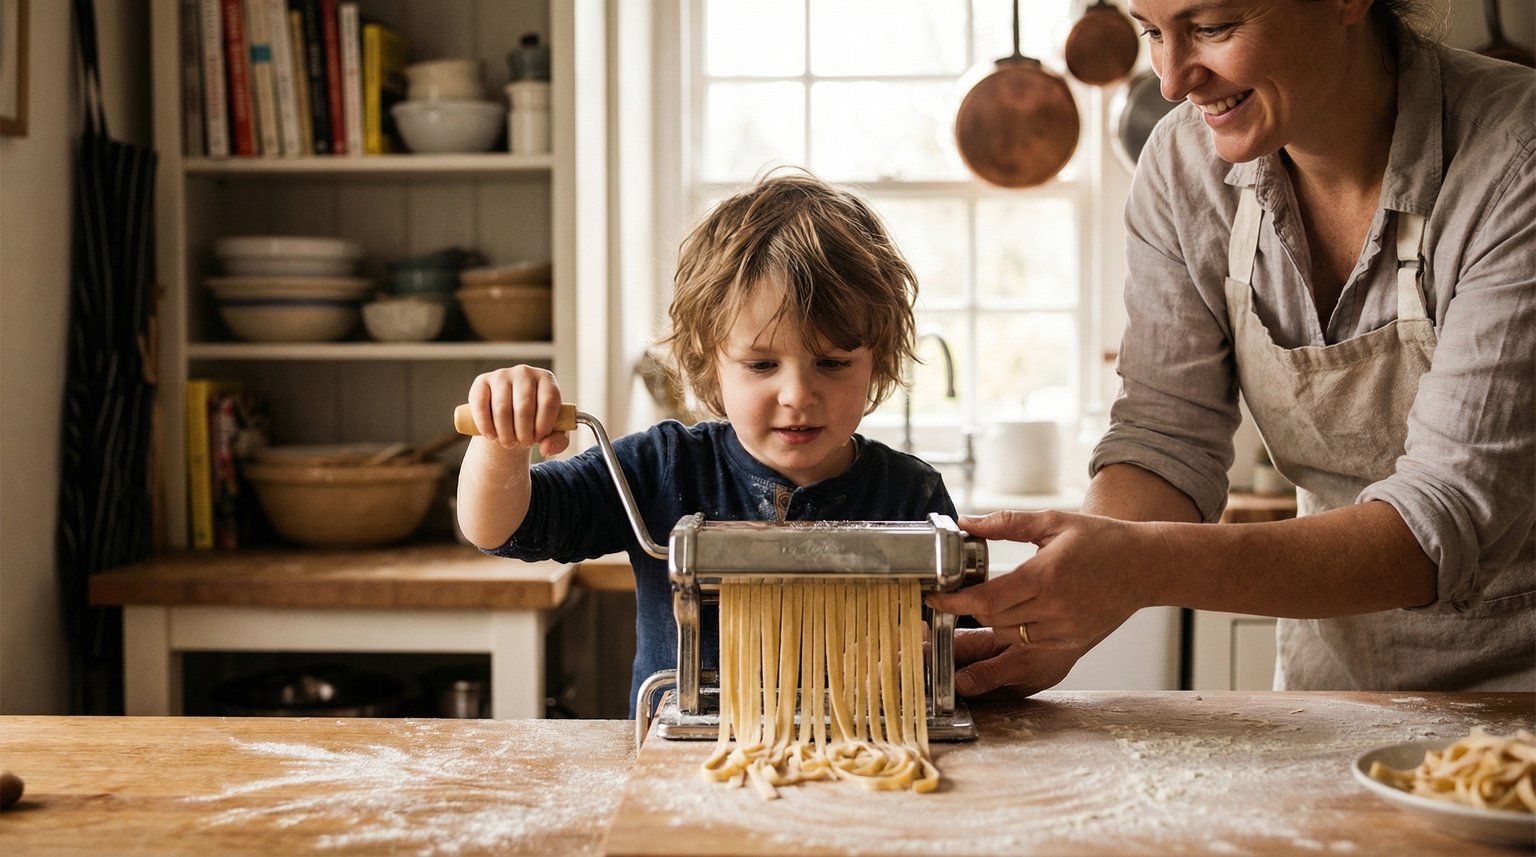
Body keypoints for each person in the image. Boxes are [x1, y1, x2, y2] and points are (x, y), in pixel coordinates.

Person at [929, 0, 1534, 694]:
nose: (1172, 81)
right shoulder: (1184, 165)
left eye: (1212, 28)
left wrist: (1138, 566)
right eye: (1152, 33)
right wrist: (1055, 609)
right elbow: (1166, 439)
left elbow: (1445, 515)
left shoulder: (1515, 160)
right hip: (1332, 694)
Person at [457, 170, 959, 714]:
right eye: (761, 364)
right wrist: (500, 439)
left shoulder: (911, 495)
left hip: (857, 766)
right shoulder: (663, 469)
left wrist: (936, 655)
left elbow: (962, 647)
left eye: (833, 363)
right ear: (708, 363)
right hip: (684, 772)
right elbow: (503, 528)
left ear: (876, 361)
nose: (798, 394)